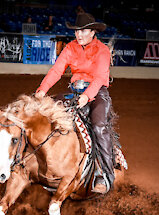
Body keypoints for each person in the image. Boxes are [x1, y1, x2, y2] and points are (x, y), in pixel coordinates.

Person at [35, 12, 114, 194]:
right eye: (77, 31)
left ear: (93, 32)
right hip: (74, 91)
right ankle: (47, 167)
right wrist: (42, 90)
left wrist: (87, 96)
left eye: (84, 31)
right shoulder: (71, 48)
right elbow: (56, 71)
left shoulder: (102, 50)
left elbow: (101, 77)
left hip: (97, 92)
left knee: (98, 126)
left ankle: (103, 174)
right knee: (49, 115)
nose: (79, 35)